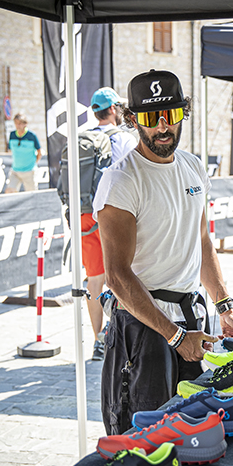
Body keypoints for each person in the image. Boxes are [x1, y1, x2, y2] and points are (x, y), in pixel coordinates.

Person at [93, 70, 233, 435]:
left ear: (182, 114)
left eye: (171, 115)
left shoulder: (192, 166)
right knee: (145, 435)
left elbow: (201, 241)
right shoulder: (122, 179)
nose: (163, 127)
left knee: (196, 428)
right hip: (144, 325)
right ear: (133, 120)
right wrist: (173, 335)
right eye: (150, 118)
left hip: (191, 317)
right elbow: (117, 276)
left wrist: (224, 305)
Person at [84, 87, 138, 361]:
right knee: (124, 272)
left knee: (95, 278)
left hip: (86, 217)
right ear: (114, 109)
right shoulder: (125, 139)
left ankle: (97, 339)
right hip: (117, 215)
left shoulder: (83, 138)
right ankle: (118, 335)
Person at [5, 113, 42, 193]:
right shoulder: (12, 135)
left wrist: (33, 163)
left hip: (29, 171)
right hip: (15, 170)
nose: (18, 126)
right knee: (9, 192)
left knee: (31, 195)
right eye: (16, 123)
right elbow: (10, 150)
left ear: (25, 124)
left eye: (20, 123)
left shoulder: (32, 136)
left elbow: (39, 152)